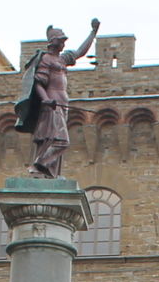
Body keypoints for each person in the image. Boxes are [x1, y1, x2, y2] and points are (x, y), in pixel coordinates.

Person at [15, 19, 101, 179]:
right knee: (60, 140)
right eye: (62, 41)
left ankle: (49, 172)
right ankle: (39, 165)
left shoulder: (62, 60)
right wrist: (46, 99)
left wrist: (93, 33)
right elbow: (38, 83)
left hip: (61, 104)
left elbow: (80, 52)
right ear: (54, 42)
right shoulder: (46, 59)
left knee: (51, 138)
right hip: (52, 105)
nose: (64, 44)